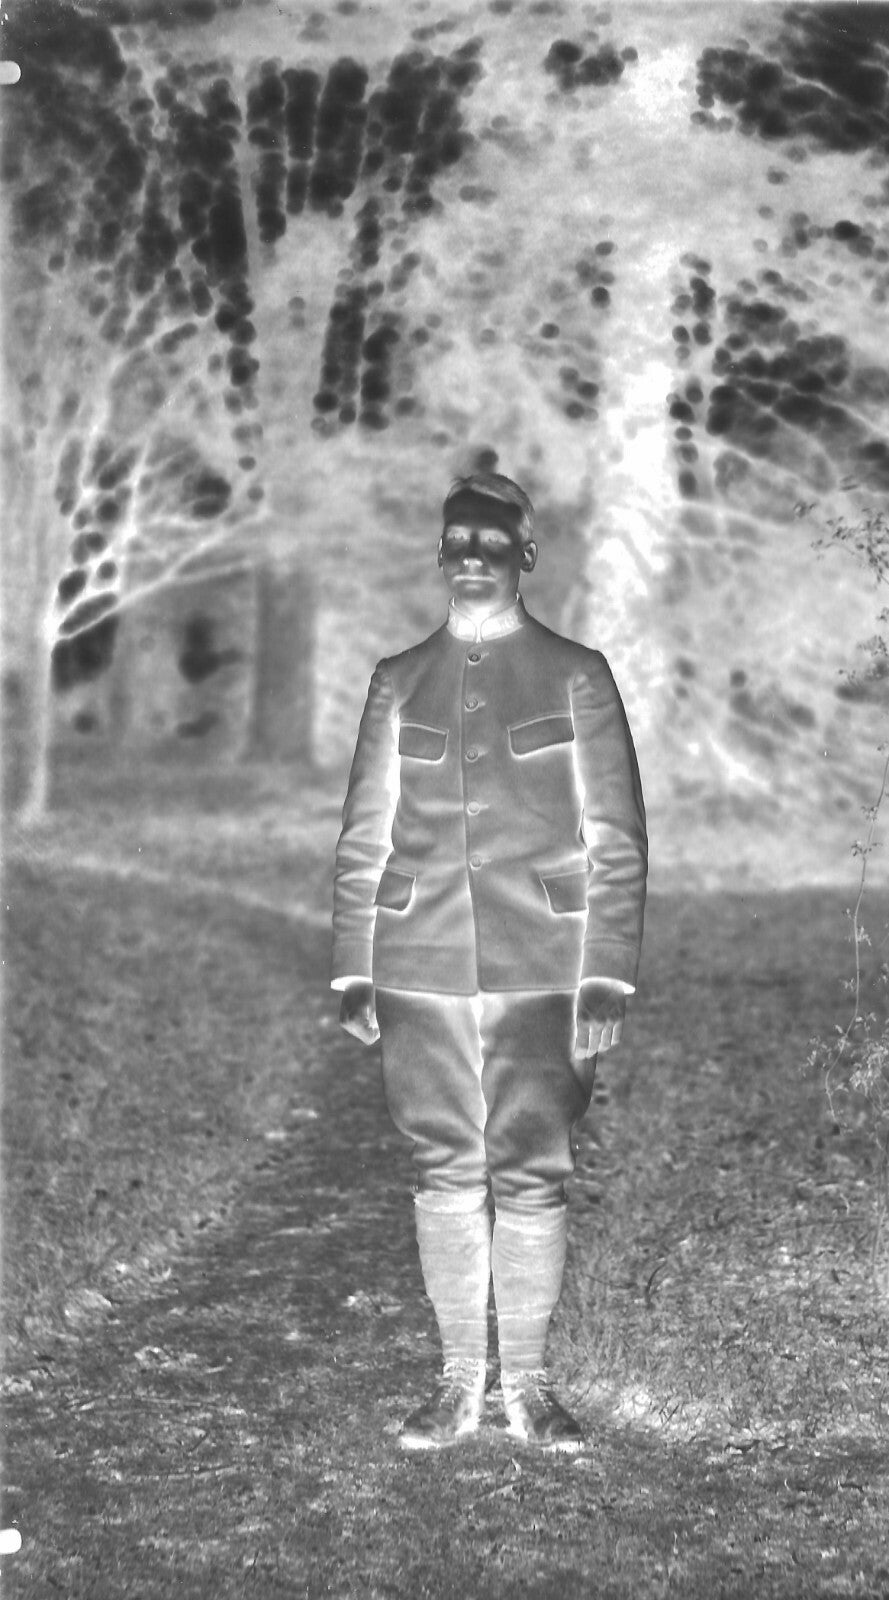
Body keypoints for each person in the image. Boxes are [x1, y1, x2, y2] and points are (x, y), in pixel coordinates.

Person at [331, 471, 648, 1451]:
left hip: (544, 962)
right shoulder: (397, 677)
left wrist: (605, 969)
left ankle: (530, 1389)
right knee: (441, 1166)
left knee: (530, 1172)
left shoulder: (574, 672)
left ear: (525, 555)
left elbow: (617, 838)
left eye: (491, 540)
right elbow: (362, 834)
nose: (471, 554)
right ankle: (457, 1382)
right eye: (456, 538)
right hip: (416, 957)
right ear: (438, 553)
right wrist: (352, 963)